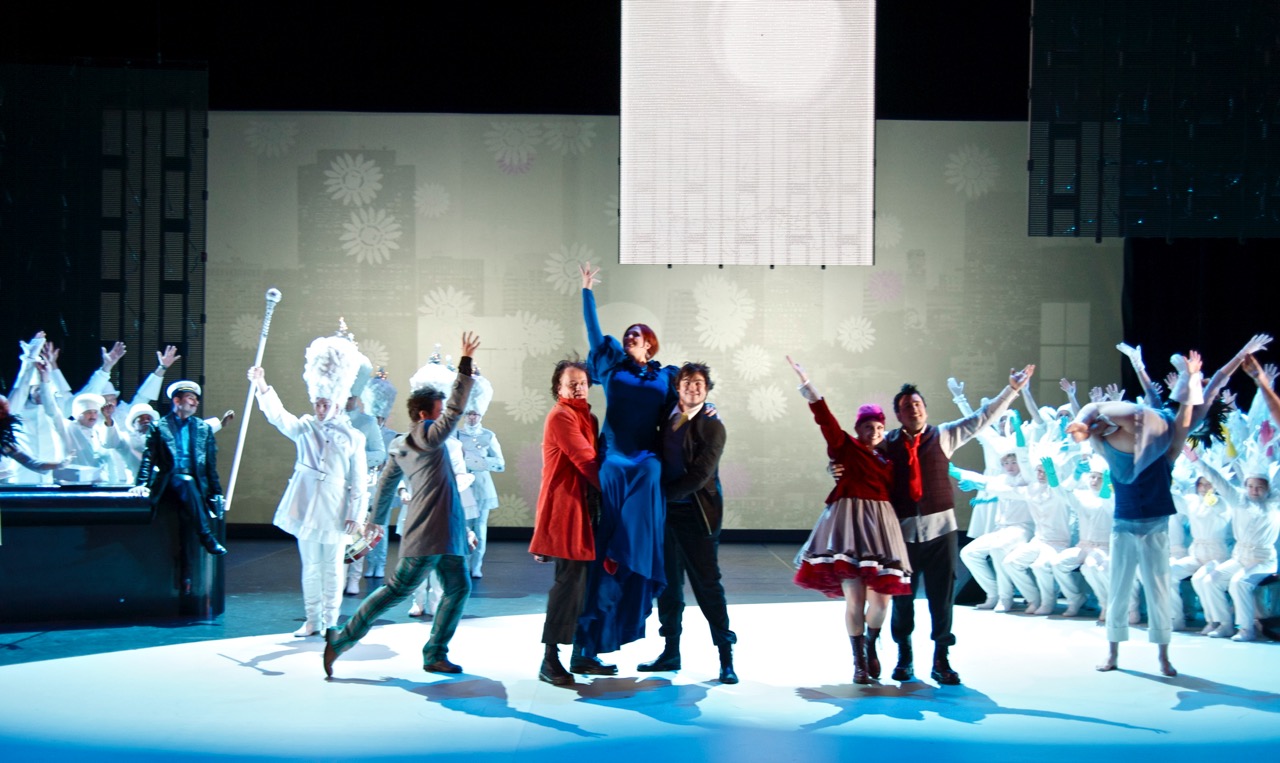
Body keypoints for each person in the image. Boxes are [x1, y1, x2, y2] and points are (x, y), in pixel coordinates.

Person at [324, 332, 480, 678]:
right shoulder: (427, 436)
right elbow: (455, 410)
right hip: (431, 533)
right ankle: (342, 639)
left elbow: (385, 486)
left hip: (445, 532)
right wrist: (465, 363)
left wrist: (376, 521)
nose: (444, 419)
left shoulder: (402, 445)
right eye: (437, 413)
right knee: (397, 590)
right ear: (423, 415)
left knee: (457, 587)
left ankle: (435, 653)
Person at [882, 365, 1035, 685]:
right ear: (898, 414)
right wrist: (835, 468)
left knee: (941, 596)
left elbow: (983, 417)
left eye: (918, 404)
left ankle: (941, 657)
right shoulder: (887, 444)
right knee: (902, 598)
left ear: (925, 409)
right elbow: (856, 458)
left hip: (941, 533)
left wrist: (1012, 390)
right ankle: (904, 655)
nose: (914, 409)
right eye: (907, 406)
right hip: (902, 535)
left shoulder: (944, 435)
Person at [574, 263, 677, 674]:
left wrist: (709, 408)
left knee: (651, 474)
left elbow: (691, 398)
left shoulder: (666, 377)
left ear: (649, 344)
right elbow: (593, 332)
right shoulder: (613, 367)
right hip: (616, 459)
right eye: (628, 333)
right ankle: (587, 646)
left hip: (646, 460)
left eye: (637, 334)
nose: (629, 336)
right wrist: (587, 292)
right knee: (608, 550)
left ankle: (631, 556)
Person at [790, 357, 911, 685]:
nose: (874, 432)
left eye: (879, 427)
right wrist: (807, 383)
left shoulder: (889, 460)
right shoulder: (845, 447)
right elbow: (824, 418)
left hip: (881, 530)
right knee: (855, 598)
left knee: (881, 601)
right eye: (868, 427)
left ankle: (871, 644)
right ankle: (858, 661)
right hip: (848, 528)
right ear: (858, 429)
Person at [249, 333, 368, 637]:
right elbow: (279, 417)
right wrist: (262, 385)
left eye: (325, 404)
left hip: (335, 507)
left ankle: (330, 620)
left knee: (333, 566)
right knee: (311, 565)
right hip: (305, 503)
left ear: (337, 403)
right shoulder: (305, 428)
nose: (320, 409)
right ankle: (312, 619)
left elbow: (359, 481)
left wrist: (356, 514)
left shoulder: (354, 437)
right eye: (317, 403)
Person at [639, 362, 738, 684]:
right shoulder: (666, 415)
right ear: (677, 386)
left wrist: (659, 495)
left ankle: (726, 657)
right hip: (665, 516)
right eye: (688, 382)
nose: (694, 387)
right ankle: (670, 651)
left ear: (707, 389)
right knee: (668, 586)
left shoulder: (712, 426)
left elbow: (699, 476)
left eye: (699, 383)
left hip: (697, 516)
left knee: (707, 585)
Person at [529, 358, 601, 686]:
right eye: (571, 383)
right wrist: (622, 492)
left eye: (582, 382)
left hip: (586, 510)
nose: (578, 387)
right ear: (558, 388)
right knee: (568, 585)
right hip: (566, 511)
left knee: (585, 586)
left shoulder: (588, 417)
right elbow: (586, 461)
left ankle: (581, 655)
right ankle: (550, 658)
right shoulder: (561, 416)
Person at [133, 380, 227, 595]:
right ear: (177, 401)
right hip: (170, 482)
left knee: (187, 520)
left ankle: (186, 578)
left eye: (196, 399)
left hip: (194, 487)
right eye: (190, 398)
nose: (195, 403)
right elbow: (149, 458)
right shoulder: (159, 426)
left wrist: (217, 493)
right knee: (185, 481)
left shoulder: (202, 428)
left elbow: (210, 466)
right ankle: (206, 536)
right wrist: (141, 484)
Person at [455, 401, 505, 578]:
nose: (472, 417)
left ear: (481, 415)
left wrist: (478, 461)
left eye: (475, 414)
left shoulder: (488, 436)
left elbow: (500, 463)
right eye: (469, 414)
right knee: (465, 526)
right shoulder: (456, 435)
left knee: (481, 527)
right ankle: (464, 563)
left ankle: (477, 565)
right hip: (464, 486)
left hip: (482, 486)